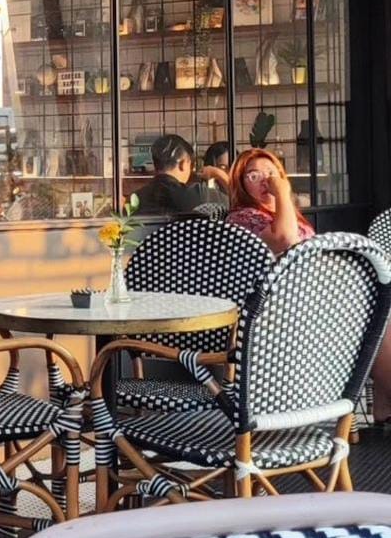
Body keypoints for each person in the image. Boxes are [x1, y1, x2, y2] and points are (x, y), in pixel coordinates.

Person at [227, 148, 391, 422]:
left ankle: (384, 403)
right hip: (281, 315)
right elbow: (286, 240)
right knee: (375, 320)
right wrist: (282, 192)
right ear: (241, 185)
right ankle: (385, 401)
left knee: (379, 314)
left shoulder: (284, 213)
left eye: (271, 173)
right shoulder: (243, 217)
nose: (266, 180)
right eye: (254, 176)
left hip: (315, 303)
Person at [137, 133, 229, 215]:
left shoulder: (136, 198)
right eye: (191, 164)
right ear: (183, 164)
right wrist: (220, 174)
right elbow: (235, 204)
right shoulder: (200, 195)